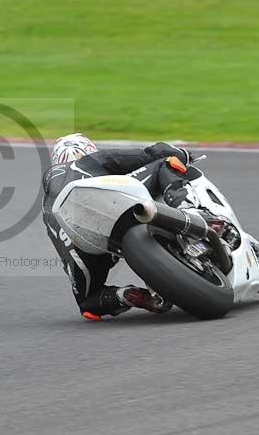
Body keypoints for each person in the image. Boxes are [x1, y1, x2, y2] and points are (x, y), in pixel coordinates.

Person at [42, 133, 201, 321]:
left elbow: (62, 248)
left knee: (88, 303)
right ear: (85, 149)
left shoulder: (47, 209)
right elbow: (147, 155)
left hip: (85, 244)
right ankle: (188, 208)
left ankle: (126, 296)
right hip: (112, 206)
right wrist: (182, 154)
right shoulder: (85, 161)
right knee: (165, 162)